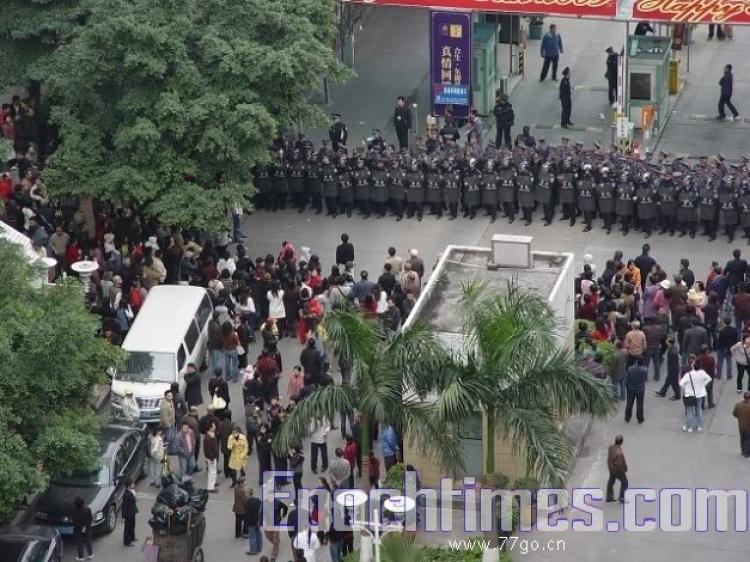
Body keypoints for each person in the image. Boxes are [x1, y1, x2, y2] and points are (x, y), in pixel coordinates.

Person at [679, 356, 712, 432]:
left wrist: (685, 389)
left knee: (689, 411)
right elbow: (709, 379)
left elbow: (681, 383)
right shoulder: (702, 373)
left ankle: (689, 427)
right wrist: (703, 384)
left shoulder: (689, 374)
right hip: (699, 394)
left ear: (693, 366)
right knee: (699, 409)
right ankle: (699, 426)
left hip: (690, 394)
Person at [624, 356, 647, 424]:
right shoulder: (645, 370)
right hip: (640, 389)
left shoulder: (630, 369)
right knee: (640, 404)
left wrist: (626, 384)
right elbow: (644, 379)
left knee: (629, 403)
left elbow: (627, 378)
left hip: (631, 388)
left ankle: (627, 417)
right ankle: (640, 418)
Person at [605, 435, 628, 502]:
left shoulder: (611, 447)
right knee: (625, 483)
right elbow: (619, 464)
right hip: (617, 470)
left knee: (611, 481)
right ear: (621, 442)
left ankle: (609, 496)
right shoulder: (619, 453)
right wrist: (623, 470)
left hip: (611, 468)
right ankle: (621, 497)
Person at [72, 496, 94, 561]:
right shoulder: (88, 509)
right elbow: (90, 519)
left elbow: (74, 523)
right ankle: (90, 554)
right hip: (87, 529)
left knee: (80, 543)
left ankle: (81, 557)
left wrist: (81, 528)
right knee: (88, 541)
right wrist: (85, 527)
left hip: (78, 530)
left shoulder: (74, 512)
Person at [245, 488, 263, 555]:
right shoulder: (258, 500)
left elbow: (248, 513)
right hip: (258, 521)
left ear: (248, 493)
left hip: (251, 522)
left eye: (246, 493)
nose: (245, 494)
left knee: (252, 536)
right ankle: (259, 548)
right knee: (259, 534)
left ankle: (253, 550)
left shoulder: (247, 502)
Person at [731, 392, 750, 457]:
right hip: (748, 427)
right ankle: (747, 453)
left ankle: (743, 451)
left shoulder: (738, 405)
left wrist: (740, 418)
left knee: (742, 438)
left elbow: (734, 414)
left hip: (741, 425)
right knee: (748, 439)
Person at [204, 423, 220, 492]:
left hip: (213, 456)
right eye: (213, 426)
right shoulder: (208, 438)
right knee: (212, 471)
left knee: (213, 471)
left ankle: (213, 483)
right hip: (211, 457)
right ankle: (210, 487)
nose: (215, 427)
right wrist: (211, 458)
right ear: (210, 428)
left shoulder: (211, 435)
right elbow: (208, 450)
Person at [122, 478, 138, 547]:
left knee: (132, 525)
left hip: (132, 512)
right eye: (132, 484)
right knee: (127, 528)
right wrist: (123, 517)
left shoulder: (132, 491)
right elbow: (124, 506)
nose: (134, 484)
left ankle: (132, 537)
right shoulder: (126, 494)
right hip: (128, 514)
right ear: (129, 486)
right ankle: (127, 542)